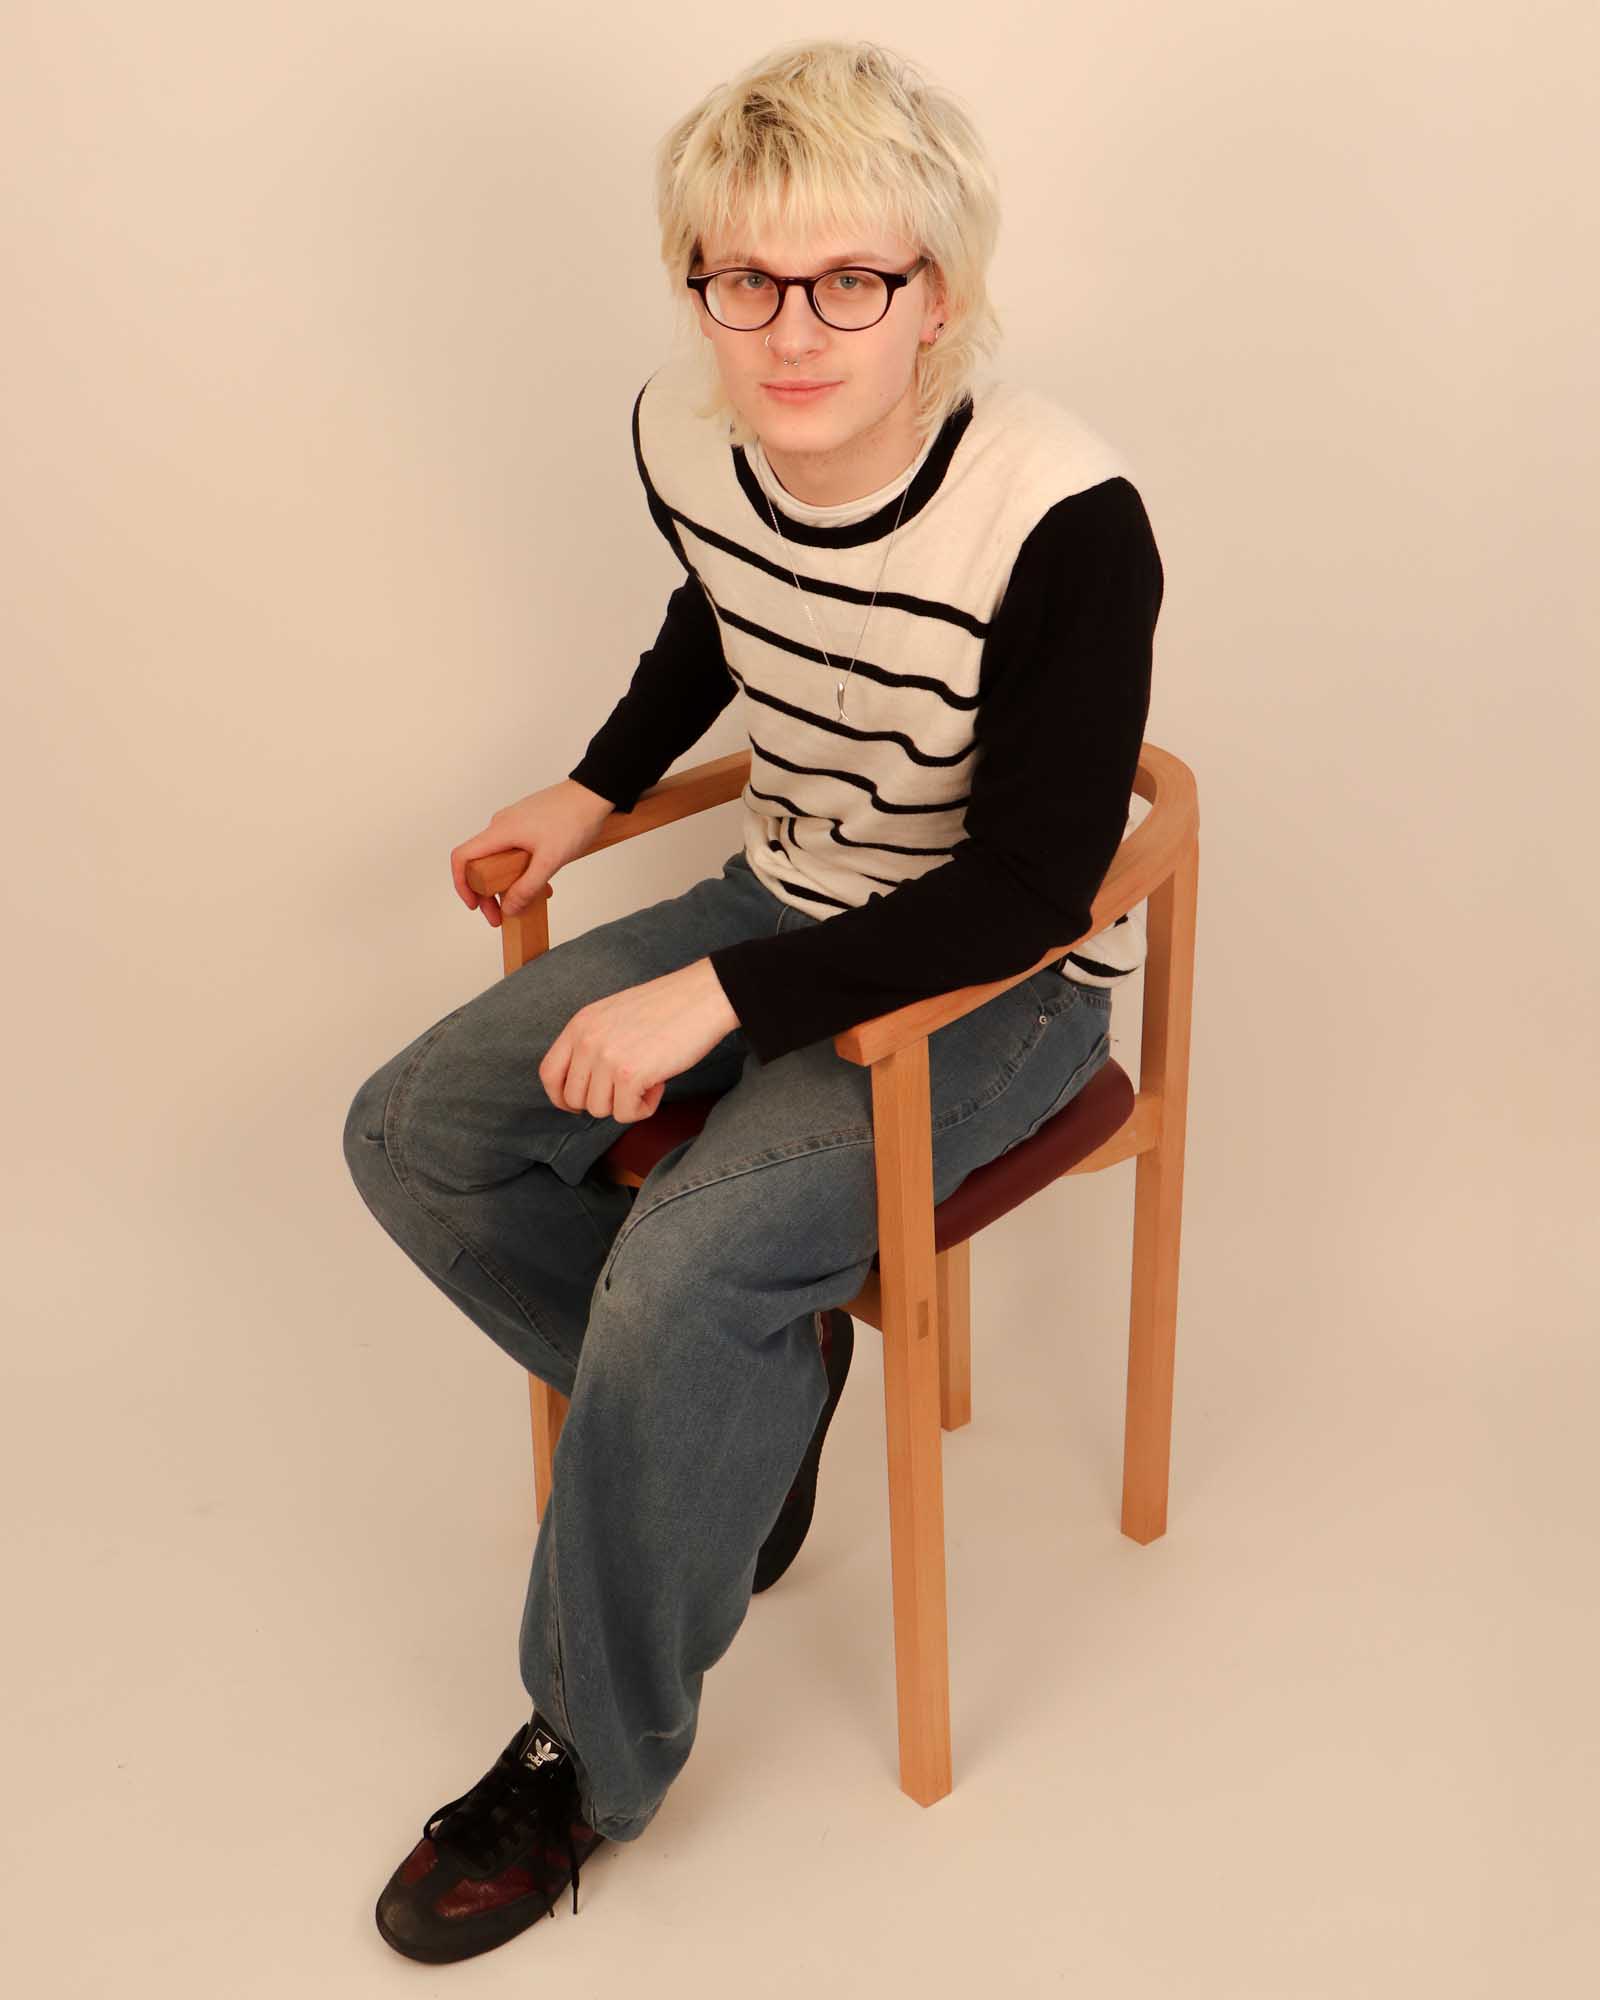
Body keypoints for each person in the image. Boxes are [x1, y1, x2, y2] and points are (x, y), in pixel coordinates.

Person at [343, 35, 1164, 1965]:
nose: (792, 332)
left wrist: (715, 998)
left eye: (850, 280)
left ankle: (582, 1758)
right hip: (783, 894)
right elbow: (725, 606)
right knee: (414, 1132)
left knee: (683, 1264)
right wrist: (593, 792)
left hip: (999, 984)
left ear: (938, 293)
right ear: (696, 282)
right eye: (744, 279)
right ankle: (745, 1415)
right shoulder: (689, 430)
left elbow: (1030, 890)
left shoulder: (1065, 516)